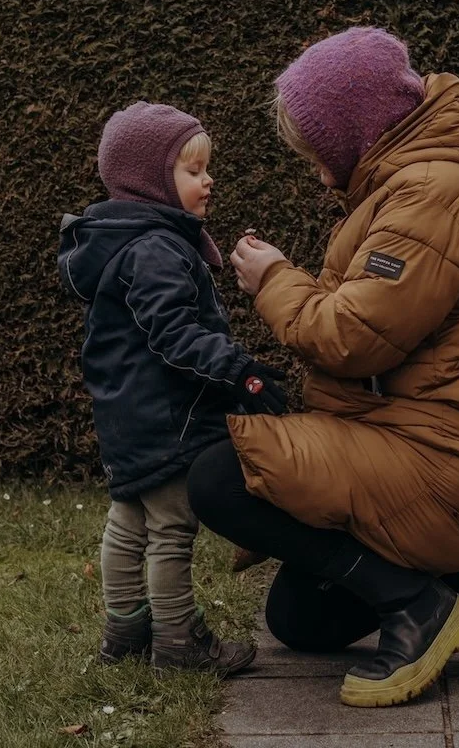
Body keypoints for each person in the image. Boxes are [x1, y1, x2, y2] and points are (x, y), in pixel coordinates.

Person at [187, 27, 459, 707]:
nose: (313, 165)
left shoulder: (432, 199)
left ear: (351, 132)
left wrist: (273, 277)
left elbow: (352, 339)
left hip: (446, 465)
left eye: (314, 147)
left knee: (220, 474)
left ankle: (422, 607)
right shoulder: (413, 186)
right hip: (428, 453)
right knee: (301, 621)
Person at [57, 101, 287, 676]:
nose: (208, 180)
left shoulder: (121, 241)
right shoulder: (157, 248)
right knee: (171, 527)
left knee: (128, 519)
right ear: (152, 181)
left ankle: (125, 631)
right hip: (167, 415)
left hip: (124, 412)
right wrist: (243, 372)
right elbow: (176, 336)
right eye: (192, 171)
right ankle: (179, 641)